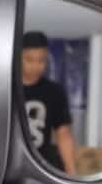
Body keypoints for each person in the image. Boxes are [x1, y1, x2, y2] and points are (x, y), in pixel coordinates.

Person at [19, 30, 77, 175]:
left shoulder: (54, 91)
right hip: (7, 165)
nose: (36, 66)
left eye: (41, 60)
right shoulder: (4, 89)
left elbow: (63, 133)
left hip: (42, 166)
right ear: (18, 58)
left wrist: (72, 172)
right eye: (29, 59)